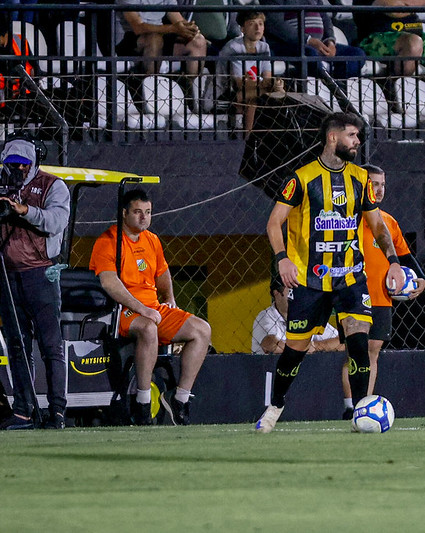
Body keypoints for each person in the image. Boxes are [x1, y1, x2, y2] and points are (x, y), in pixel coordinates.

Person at [256, 112, 405, 433]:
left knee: (358, 341)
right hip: (310, 281)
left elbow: (377, 225)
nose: (357, 142)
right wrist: (282, 258)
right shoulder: (302, 178)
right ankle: (276, 405)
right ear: (333, 138)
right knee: (295, 351)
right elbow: (273, 223)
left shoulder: (360, 179)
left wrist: (393, 260)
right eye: (352, 135)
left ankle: (361, 411)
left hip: (351, 277)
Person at [89, 188, 212, 425]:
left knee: (202, 330)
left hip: (153, 307)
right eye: (137, 212)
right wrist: (142, 309)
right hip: (122, 310)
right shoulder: (109, 241)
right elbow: (109, 282)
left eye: (148, 212)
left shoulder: (152, 240)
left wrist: (170, 297)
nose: (144, 217)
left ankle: (180, 399)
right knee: (148, 328)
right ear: (124, 214)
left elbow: (162, 272)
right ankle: (143, 402)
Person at [337, 164, 425, 419]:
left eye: (382, 185)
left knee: (374, 349)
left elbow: (405, 256)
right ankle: (349, 407)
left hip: (382, 296)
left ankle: (364, 405)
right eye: (374, 184)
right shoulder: (347, 218)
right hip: (351, 294)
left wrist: (421, 279)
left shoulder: (388, 222)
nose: (379, 189)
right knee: (356, 350)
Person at [0, 134, 70, 430]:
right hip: (7, 275)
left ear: (33, 163)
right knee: (17, 345)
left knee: (51, 345)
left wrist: (24, 210)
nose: (17, 169)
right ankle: (24, 410)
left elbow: (55, 222)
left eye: (22, 164)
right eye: (11, 164)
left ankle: (57, 412)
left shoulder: (53, 186)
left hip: (41, 274)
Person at [352, 0, 425, 77]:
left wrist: (405, 3)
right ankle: (396, 92)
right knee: (413, 44)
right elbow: (392, 7)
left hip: (415, 36)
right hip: (376, 38)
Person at [262, 0, 367, 79]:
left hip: (319, 44)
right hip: (289, 44)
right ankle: (331, 86)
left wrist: (330, 42)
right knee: (309, 53)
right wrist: (308, 40)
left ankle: (335, 86)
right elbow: (275, 24)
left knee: (357, 54)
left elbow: (326, 19)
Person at [218, 11, 284, 135]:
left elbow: (267, 78)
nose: (258, 28)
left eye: (260, 24)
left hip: (252, 89)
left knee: (278, 92)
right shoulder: (234, 47)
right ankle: (247, 140)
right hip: (225, 91)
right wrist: (270, 84)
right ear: (242, 28)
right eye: (252, 24)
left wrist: (274, 84)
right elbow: (238, 83)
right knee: (252, 99)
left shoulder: (264, 47)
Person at [114, 0, 208, 78]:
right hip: (129, 39)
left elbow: (179, 20)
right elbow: (138, 27)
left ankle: (190, 94)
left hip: (160, 35)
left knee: (198, 41)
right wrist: (173, 28)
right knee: (155, 39)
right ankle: (150, 93)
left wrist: (190, 29)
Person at [252, 275, 344, 355]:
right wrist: (305, 348)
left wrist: (314, 346)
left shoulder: (306, 314)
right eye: (292, 290)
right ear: (276, 292)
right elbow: (272, 346)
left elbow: (342, 343)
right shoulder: (267, 316)